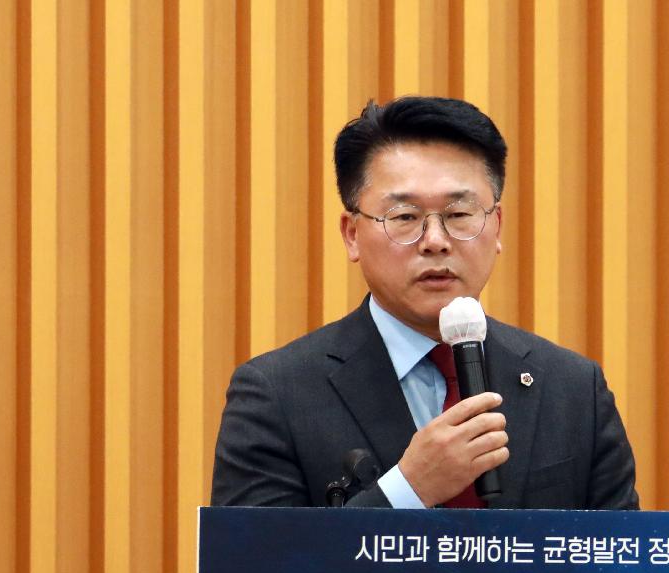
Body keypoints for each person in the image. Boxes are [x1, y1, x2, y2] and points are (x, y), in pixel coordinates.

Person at [211, 96, 637, 510]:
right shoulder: (276, 395)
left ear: (497, 225)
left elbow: (621, 555)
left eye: (459, 214)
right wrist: (408, 490)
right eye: (405, 217)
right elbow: (258, 558)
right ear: (352, 235)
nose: (435, 241)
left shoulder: (574, 389)